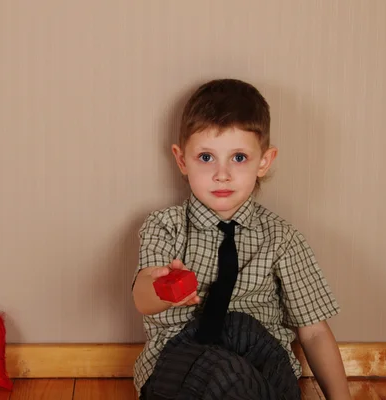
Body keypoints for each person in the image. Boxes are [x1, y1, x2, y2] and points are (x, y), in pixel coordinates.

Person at [131, 79, 351, 399]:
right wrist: (162, 287)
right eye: (206, 158)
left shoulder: (282, 238)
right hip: (182, 360)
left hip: (261, 360)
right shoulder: (165, 227)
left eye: (238, 158)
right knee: (228, 369)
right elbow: (142, 297)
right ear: (182, 160)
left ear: (264, 161)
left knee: (243, 331)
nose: (222, 174)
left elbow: (314, 331)